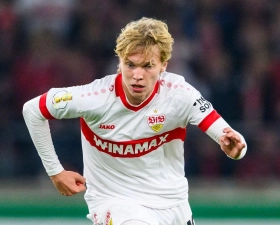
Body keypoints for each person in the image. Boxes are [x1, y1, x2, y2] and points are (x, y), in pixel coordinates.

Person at [22, 17, 247, 225]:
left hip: (173, 206)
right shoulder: (94, 97)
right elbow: (32, 110)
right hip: (115, 203)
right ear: (119, 62)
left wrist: (235, 148)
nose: (137, 75)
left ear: (164, 65)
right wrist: (55, 171)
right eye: (130, 64)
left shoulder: (180, 94)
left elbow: (228, 136)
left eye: (148, 66)